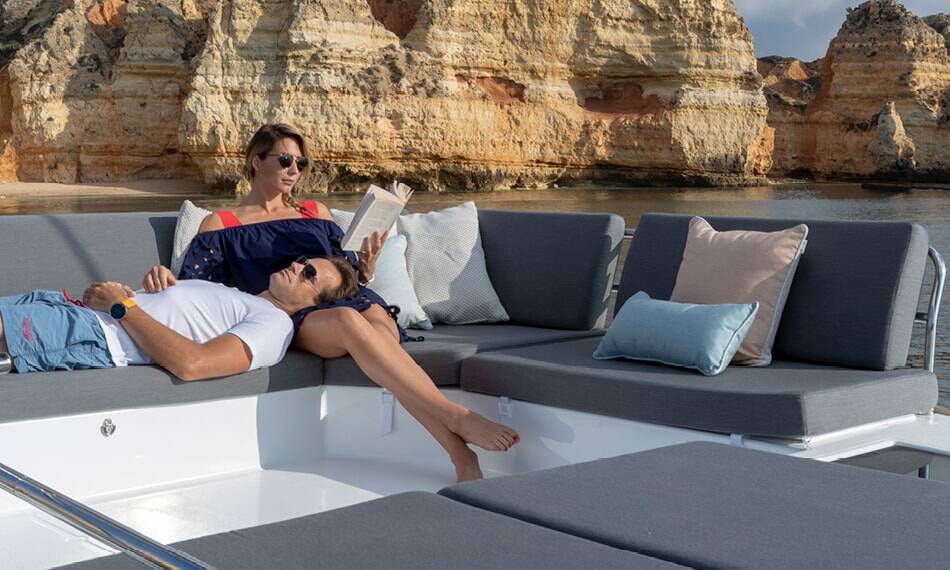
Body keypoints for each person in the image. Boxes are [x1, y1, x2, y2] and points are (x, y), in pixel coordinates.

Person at [144, 123, 518, 482]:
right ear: (257, 161)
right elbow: (196, 288)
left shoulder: (316, 212)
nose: (294, 170)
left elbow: (345, 273)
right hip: (293, 312)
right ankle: (455, 420)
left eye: (301, 163)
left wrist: (366, 268)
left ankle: (461, 454)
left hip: (350, 296)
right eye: (285, 160)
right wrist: (163, 277)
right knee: (348, 322)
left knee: (382, 341)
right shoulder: (222, 223)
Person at [0, 256, 357, 381]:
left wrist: (121, 307)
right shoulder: (243, 297)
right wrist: (152, 287)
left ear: (313, 305)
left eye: (309, 273)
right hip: (73, 310)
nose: (297, 265)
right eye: (303, 261)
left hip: (93, 335)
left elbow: (193, 364)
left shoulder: (275, 325)